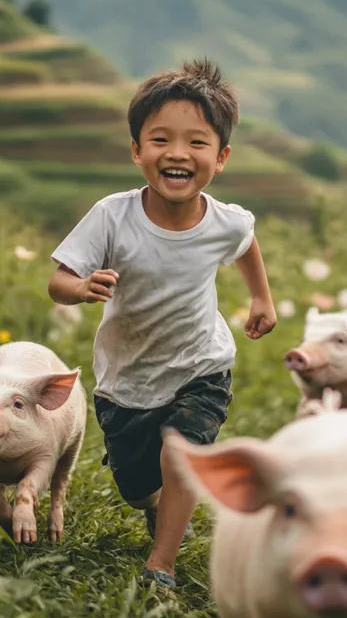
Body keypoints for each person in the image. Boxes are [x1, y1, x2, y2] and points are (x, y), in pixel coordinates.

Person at [48, 59, 276, 589]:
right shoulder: (111, 216)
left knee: (183, 453)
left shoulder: (226, 221)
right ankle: (156, 505)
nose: (177, 153)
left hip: (201, 365)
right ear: (136, 151)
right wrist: (81, 289)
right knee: (134, 484)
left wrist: (261, 298)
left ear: (220, 158)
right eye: (160, 139)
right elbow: (58, 280)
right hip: (127, 379)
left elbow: (245, 243)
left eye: (196, 143)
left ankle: (162, 565)